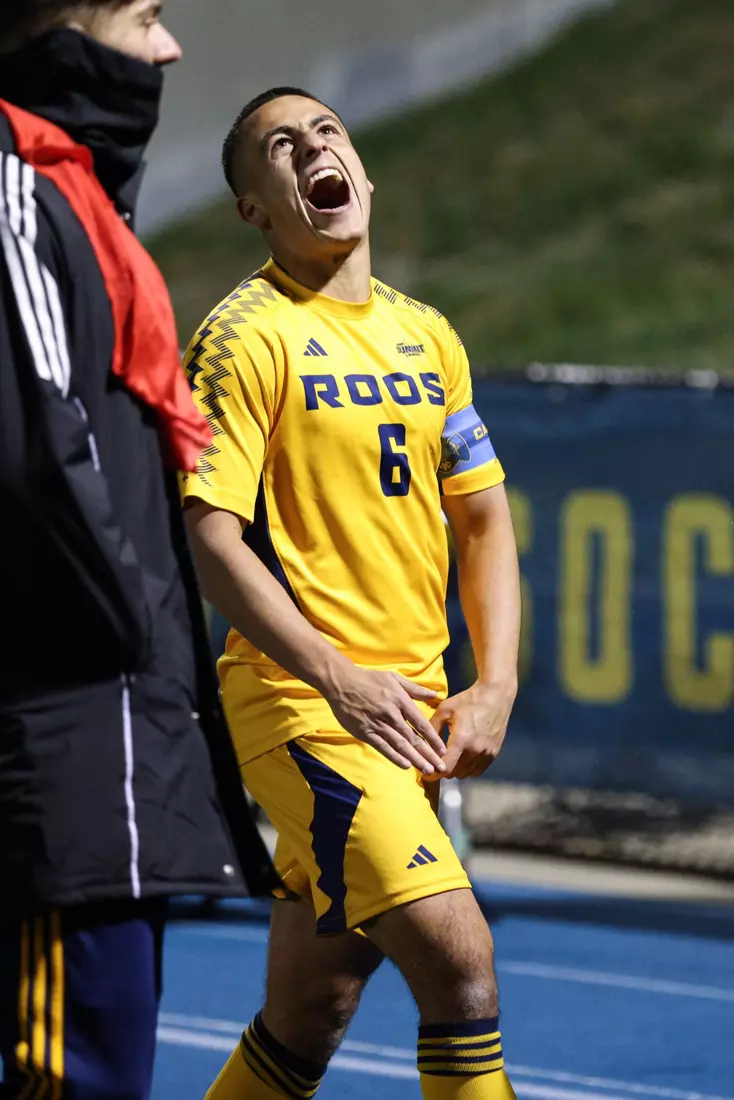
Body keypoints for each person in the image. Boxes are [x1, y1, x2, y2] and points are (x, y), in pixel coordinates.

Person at [182, 86, 521, 1100]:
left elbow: (484, 521)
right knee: (459, 963)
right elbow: (207, 536)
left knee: (307, 1012)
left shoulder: (428, 336)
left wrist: (493, 682)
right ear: (256, 206)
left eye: (326, 133)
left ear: (360, 172)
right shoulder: (245, 337)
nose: (311, 149)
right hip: (307, 712)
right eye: (278, 147)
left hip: (410, 716)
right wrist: (334, 675)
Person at [0, 5, 277, 1099]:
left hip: (99, 722)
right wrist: (126, 628)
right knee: (79, 1076)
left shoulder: (72, 189)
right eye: (145, 16)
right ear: (53, 31)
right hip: (72, 724)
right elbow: (33, 454)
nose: (169, 51)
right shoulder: (20, 184)